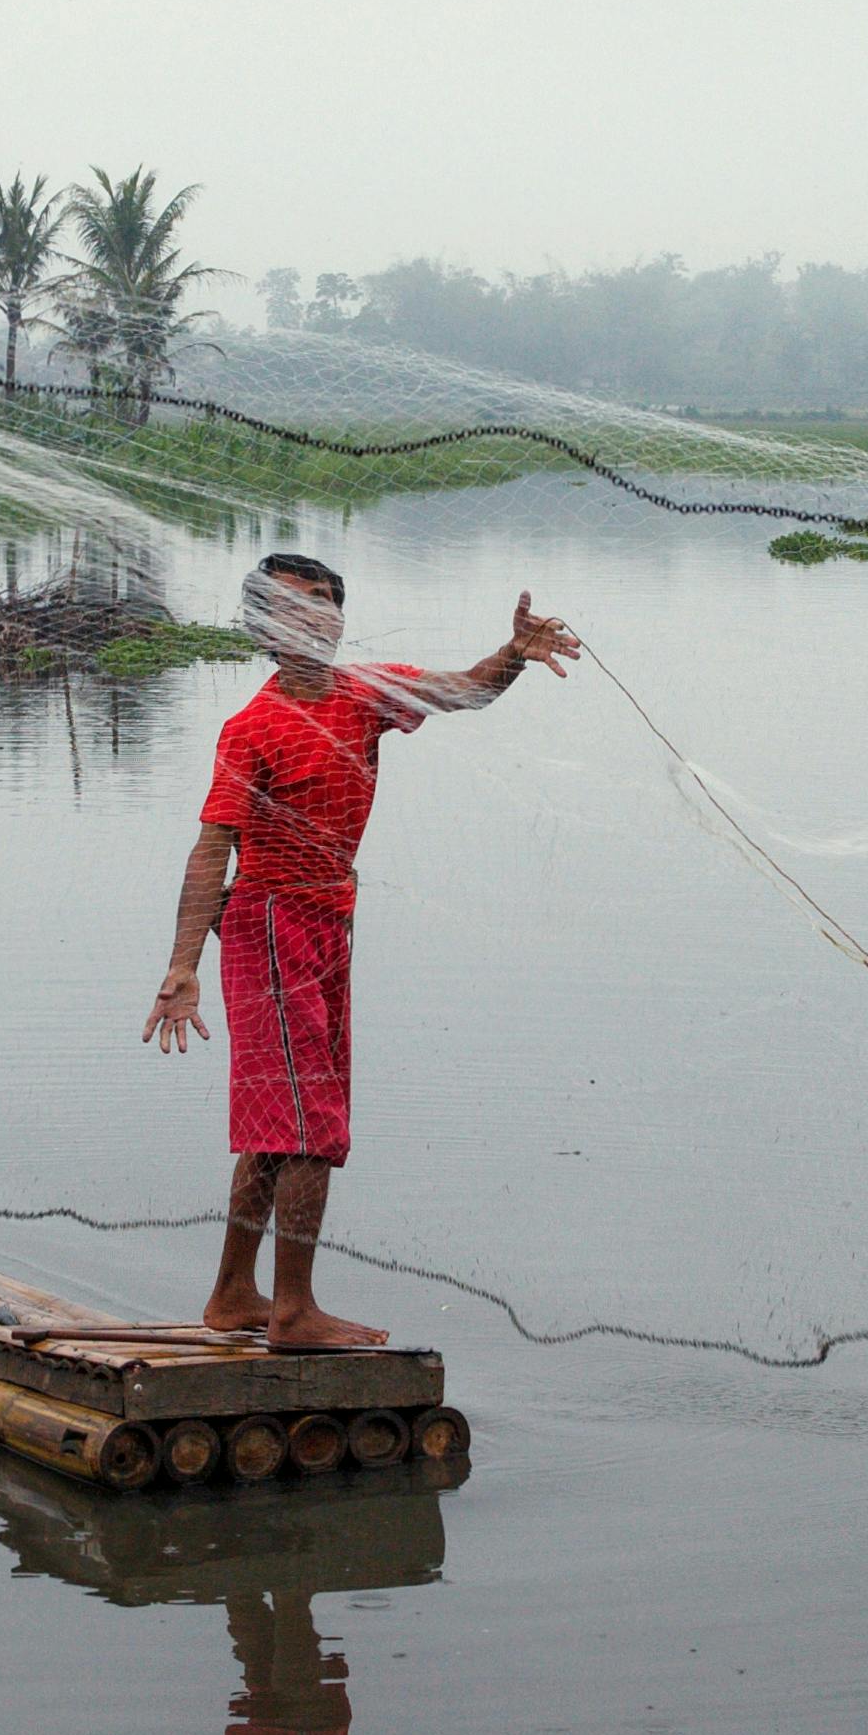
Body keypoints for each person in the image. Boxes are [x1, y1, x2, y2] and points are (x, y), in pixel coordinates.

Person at [143, 554, 578, 1348]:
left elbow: (463, 690)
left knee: (285, 1119)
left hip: (327, 922)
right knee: (313, 1124)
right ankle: (295, 1312)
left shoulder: (363, 693)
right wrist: (182, 968)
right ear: (264, 626)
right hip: (270, 923)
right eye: (301, 604)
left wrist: (513, 654)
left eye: (330, 603)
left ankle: (235, 1294)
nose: (321, 616)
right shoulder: (251, 728)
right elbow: (214, 845)